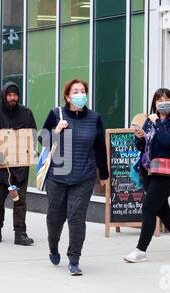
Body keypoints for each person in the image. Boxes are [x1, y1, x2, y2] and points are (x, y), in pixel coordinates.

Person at [40, 79, 109, 276]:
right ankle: (53, 246)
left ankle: (74, 259)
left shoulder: (95, 117)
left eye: (83, 91)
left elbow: (99, 148)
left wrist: (103, 174)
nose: (80, 94)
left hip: (84, 176)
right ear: (68, 96)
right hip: (57, 176)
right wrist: (57, 130)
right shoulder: (56, 114)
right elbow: (42, 140)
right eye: (76, 91)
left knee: (77, 218)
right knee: (55, 217)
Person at [124, 88, 170, 263]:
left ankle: (141, 250)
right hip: (149, 170)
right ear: (154, 102)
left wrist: (157, 124)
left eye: (166, 98)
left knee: (148, 207)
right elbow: (142, 145)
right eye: (159, 99)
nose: (163, 101)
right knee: (162, 210)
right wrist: (140, 136)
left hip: (167, 173)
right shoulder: (150, 121)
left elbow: (168, 140)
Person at [0, 82, 37, 246]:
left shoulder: (26, 114)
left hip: (20, 168)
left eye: (15, 95)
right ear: (4, 96)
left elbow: (32, 136)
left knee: (20, 201)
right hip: (1, 168)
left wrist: (29, 151)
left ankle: (20, 233)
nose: (12, 98)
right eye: (9, 95)